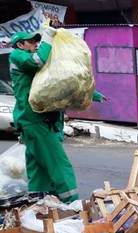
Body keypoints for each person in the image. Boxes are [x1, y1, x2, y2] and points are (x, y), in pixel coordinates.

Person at [10, 27, 106, 203]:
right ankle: (72, 203)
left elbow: (61, 81)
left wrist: (91, 93)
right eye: (32, 42)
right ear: (20, 44)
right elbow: (37, 61)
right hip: (34, 119)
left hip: (35, 120)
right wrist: (47, 36)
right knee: (58, 163)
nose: (35, 44)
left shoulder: (28, 59)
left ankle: (40, 203)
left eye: (37, 41)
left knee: (39, 167)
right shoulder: (17, 56)